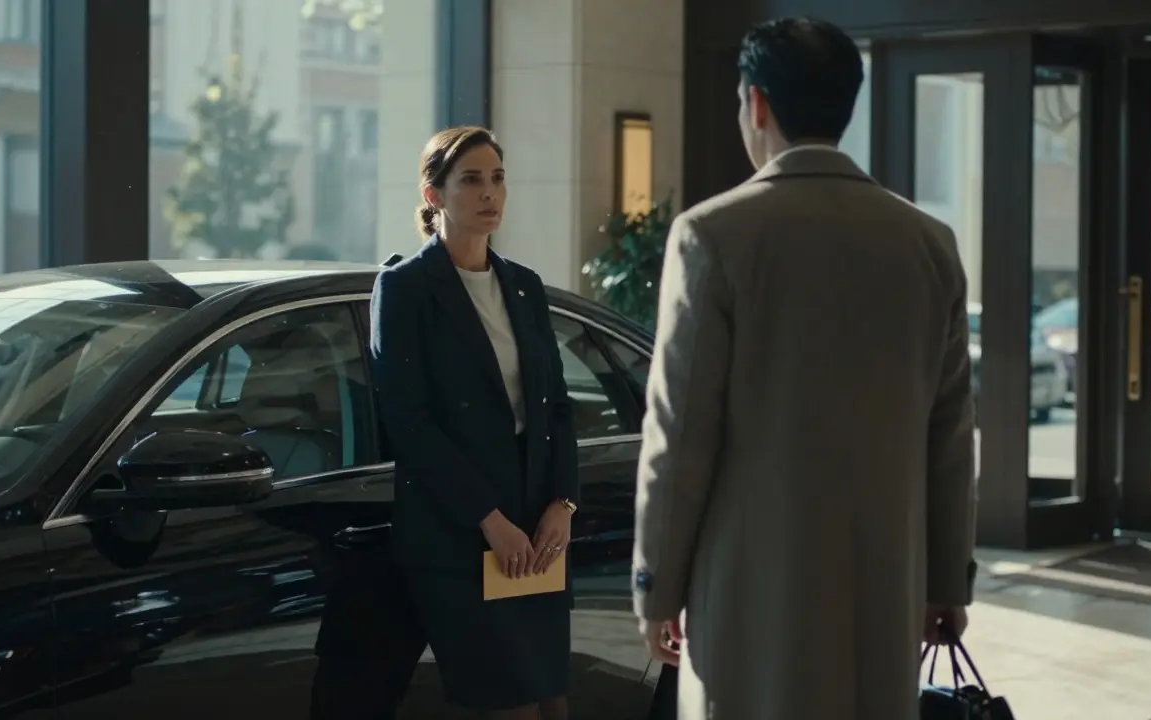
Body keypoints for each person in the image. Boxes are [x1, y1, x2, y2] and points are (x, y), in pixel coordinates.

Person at [630, 17, 978, 719]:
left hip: (751, 599)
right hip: (885, 595)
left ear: (756, 103)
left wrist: (656, 586)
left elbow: (681, 432)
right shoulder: (928, 243)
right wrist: (947, 582)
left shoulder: (712, 236)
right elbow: (949, 437)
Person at [369, 125, 579, 720]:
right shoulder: (405, 289)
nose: (489, 193)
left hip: (535, 531)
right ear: (433, 195)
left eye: (497, 178)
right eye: (471, 180)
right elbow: (409, 423)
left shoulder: (524, 285)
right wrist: (489, 519)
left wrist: (563, 503)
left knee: (552, 706)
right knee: (509, 708)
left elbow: (557, 405)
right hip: (461, 535)